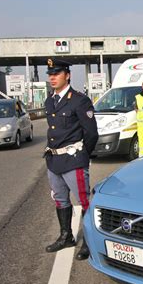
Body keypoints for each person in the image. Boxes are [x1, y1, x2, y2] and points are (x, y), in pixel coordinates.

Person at [44, 58, 99, 261]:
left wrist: (82, 156)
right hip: (54, 161)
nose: (52, 78)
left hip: (73, 160)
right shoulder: (50, 101)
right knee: (60, 200)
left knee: (84, 203)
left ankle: (89, 243)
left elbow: (91, 133)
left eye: (56, 74)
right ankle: (66, 236)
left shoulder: (79, 100)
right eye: (50, 74)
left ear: (67, 75)